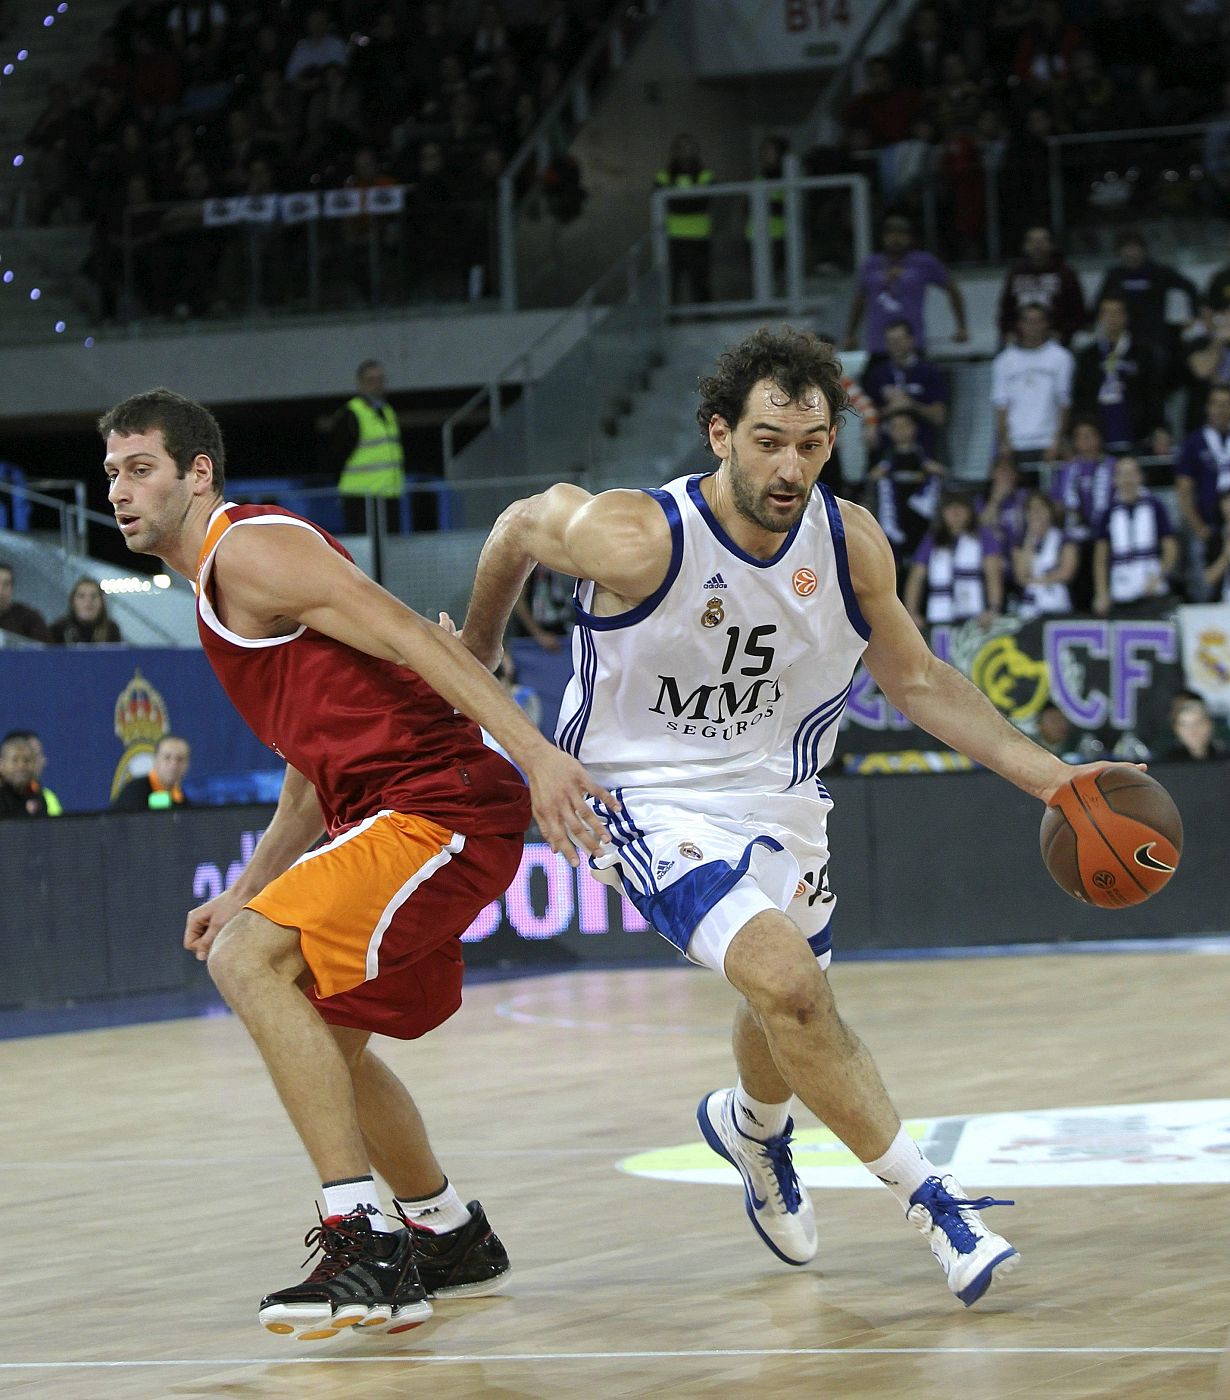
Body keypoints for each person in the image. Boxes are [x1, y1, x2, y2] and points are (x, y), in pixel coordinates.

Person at [451, 328, 1131, 1308]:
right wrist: (480, 647)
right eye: (769, 440)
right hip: (639, 795)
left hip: (779, 794)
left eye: (811, 444)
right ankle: (937, 1206)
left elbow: (920, 678)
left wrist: (1058, 781)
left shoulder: (848, 542)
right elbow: (519, 524)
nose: (790, 465)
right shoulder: (637, 535)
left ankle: (754, 1129)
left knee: (789, 1002)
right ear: (719, 433)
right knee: (792, 986)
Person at [99, 387, 613, 1339]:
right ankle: (448, 1232)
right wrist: (248, 889)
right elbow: (308, 772)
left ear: (197, 472)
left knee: (247, 962)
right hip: (387, 812)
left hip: (440, 806)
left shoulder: (248, 550)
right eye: (112, 475)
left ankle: (365, 1246)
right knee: (321, 1042)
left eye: (140, 469)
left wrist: (537, 755)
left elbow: (420, 638)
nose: (120, 492)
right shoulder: (225, 588)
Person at [842, 213, 969, 356]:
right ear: (883, 237)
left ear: (910, 237)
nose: (896, 239)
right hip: (878, 344)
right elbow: (859, 301)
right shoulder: (870, 264)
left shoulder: (924, 262)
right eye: (891, 233)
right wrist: (850, 334)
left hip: (913, 342)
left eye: (902, 234)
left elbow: (953, 290)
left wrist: (961, 327)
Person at [1071, 295, 1162, 454]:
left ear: (1126, 317)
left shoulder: (1143, 353)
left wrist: (1157, 427)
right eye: (1106, 313)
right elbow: (1080, 397)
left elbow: (1154, 393)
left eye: (1116, 313)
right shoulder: (1088, 356)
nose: (1111, 318)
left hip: (1136, 437)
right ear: (1100, 318)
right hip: (1098, 440)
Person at [325, 359, 406, 534]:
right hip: (360, 497)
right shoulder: (351, 414)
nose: (377, 384)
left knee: (387, 551)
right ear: (360, 384)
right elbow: (335, 455)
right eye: (371, 380)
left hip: (388, 494)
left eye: (380, 379)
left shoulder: (387, 411)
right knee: (362, 552)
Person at [991, 304, 1074, 471]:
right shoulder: (1004, 361)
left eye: (1038, 321)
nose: (1033, 326)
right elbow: (1001, 405)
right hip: (1016, 443)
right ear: (1020, 325)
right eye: (1029, 321)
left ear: (1046, 323)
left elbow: (1064, 402)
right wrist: (1005, 443)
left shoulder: (1061, 357)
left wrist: (1057, 441)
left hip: (1049, 442)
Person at [1092, 456, 1178, 617]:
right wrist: (1102, 593)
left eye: (1132, 473)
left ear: (1140, 476)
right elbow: (1100, 557)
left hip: (1151, 587)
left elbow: (1170, 547)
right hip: (1121, 589)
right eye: (1122, 474)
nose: (1127, 479)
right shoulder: (1108, 511)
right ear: (1115, 479)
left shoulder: (1155, 506)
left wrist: (1160, 575)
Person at [905, 491, 1004, 629]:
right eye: (950, 508)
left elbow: (993, 575)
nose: (956, 513)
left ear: (970, 511)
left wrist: (994, 609)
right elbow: (916, 578)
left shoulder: (983, 536)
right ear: (943, 513)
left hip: (975, 618)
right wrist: (912, 613)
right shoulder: (932, 539)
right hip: (939, 618)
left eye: (961, 508)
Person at [863, 409, 945, 571]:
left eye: (905, 425)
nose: (900, 430)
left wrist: (939, 472)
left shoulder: (929, 454)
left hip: (922, 527)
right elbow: (868, 490)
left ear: (914, 428)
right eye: (894, 426)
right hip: (891, 526)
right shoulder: (881, 457)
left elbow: (945, 480)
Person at [860, 318, 949, 457]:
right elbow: (866, 415)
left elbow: (939, 417)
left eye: (899, 340)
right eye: (890, 341)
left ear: (911, 340)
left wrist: (911, 404)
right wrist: (890, 409)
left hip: (923, 452)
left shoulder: (929, 372)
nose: (895, 345)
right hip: (885, 454)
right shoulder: (876, 374)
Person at [996, 225, 1085, 345]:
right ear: (1024, 245)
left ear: (1051, 244)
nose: (1037, 246)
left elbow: (1077, 310)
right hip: (1019, 336)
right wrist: (1008, 331)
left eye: (1042, 241)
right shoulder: (1016, 272)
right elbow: (1006, 308)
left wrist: (1064, 332)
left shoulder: (1065, 273)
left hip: (1057, 336)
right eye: (1032, 241)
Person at [655, 134, 714, 305]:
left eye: (689, 147)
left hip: (699, 237)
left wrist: (680, 200)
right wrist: (687, 201)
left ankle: (705, 318)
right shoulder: (663, 177)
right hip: (673, 238)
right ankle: (671, 319)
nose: (685, 153)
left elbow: (701, 203)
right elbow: (669, 204)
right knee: (671, 283)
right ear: (673, 152)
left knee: (700, 283)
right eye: (680, 148)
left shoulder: (705, 176)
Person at [1012, 493, 1077, 619]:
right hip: (1029, 606)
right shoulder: (1021, 541)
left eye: (1041, 507)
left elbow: (1066, 573)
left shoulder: (1064, 538)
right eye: (1031, 509)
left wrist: (1034, 581)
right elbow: (1021, 575)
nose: (1036, 512)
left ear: (1050, 510)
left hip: (1056, 602)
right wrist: (1029, 538)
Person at [111, 733, 192, 811]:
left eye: (180, 759)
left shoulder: (182, 800)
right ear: (156, 761)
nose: (173, 765)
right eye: (167, 758)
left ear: (187, 765)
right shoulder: (135, 791)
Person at [0, 731, 62, 818]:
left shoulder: (38, 796)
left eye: (26, 760)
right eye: (15, 760)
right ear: (1, 765)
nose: (21, 766)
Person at [49, 576, 124, 644]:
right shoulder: (58, 629)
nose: (88, 601)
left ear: (102, 602)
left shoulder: (111, 630)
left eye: (94, 596)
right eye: (81, 596)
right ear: (73, 602)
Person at [0, 561, 51, 643]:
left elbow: (45, 652)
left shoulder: (30, 619)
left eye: (6, 584)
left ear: (12, 588)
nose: (1, 590)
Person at [1165, 696, 1227, 762]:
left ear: (1209, 724)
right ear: (1176, 729)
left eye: (1198, 723)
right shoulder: (1164, 764)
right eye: (1185, 725)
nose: (1192, 731)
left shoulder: (1225, 758)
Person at [1204, 488, 1230, 603]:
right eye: (1226, 501)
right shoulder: (1215, 538)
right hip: (1222, 603)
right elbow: (1208, 578)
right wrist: (1226, 556)